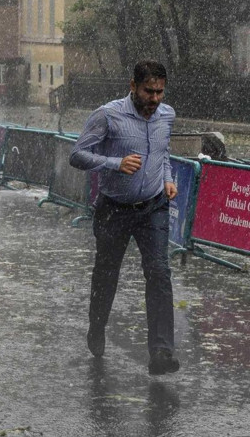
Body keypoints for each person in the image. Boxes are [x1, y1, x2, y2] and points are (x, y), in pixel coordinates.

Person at [69, 60, 180, 375]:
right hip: (114, 209)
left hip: (153, 207)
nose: (155, 99)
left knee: (159, 273)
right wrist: (115, 163)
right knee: (106, 274)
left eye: (160, 92)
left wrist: (168, 177)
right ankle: (97, 325)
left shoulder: (167, 115)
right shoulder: (107, 115)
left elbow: (163, 152)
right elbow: (77, 155)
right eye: (149, 91)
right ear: (133, 86)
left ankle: (161, 353)